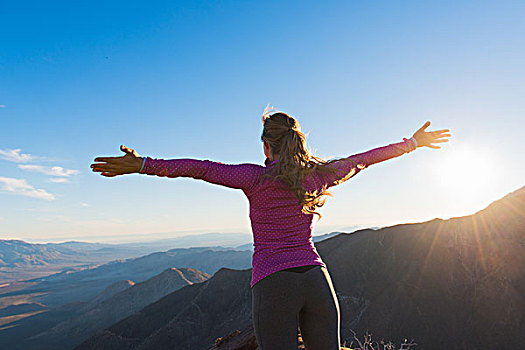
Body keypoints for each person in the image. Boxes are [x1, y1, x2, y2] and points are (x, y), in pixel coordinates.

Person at [90, 109, 450, 350]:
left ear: (265, 144)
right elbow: (363, 160)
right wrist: (413, 144)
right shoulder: (319, 177)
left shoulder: (254, 178)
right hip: (316, 279)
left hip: (274, 281)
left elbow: (199, 168)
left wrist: (143, 164)